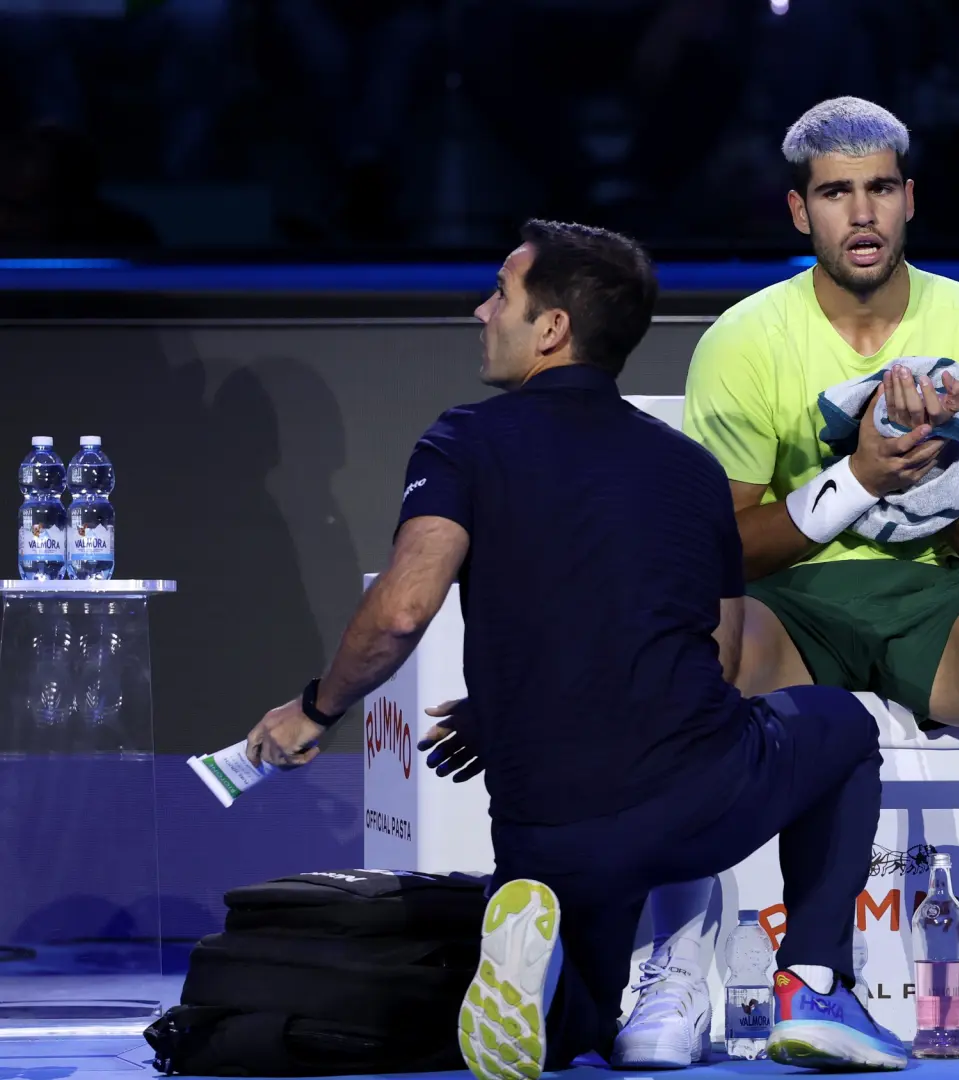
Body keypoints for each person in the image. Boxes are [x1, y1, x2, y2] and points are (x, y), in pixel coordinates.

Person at [241, 219, 909, 1076]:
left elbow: (405, 609)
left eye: (502, 294)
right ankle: (814, 982)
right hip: (693, 805)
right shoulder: (692, 472)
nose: (481, 310)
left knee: (575, 1030)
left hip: (546, 833)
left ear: (552, 328)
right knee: (842, 726)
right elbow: (720, 660)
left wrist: (315, 707)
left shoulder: (466, 441)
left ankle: (535, 950)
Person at [616, 97, 959, 1067]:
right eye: (834, 194)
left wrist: (947, 446)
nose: (858, 215)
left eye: (877, 190)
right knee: (700, 635)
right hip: (791, 604)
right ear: (798, 212)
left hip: (929, 603)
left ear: (909, 200)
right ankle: (677, 971)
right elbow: (721, 554)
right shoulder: (743, 340)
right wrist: (856, 475)